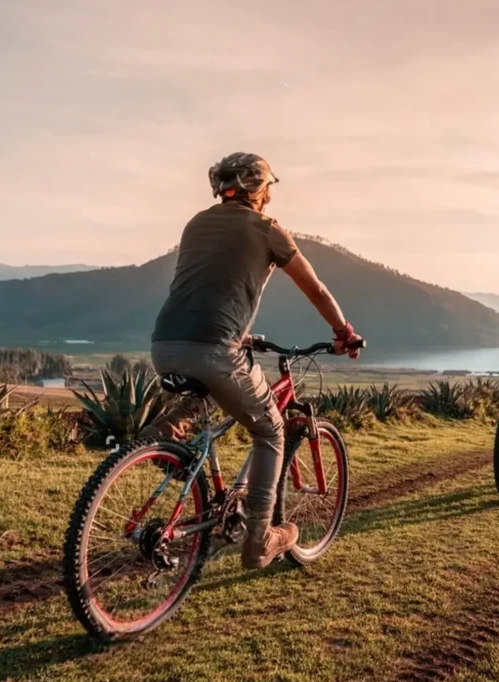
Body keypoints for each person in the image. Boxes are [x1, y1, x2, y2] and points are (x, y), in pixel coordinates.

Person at [141, 152, 362, 569]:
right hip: (214, 348)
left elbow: (207, 283)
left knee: (208, 390)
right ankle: (260, 539)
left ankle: (166, 428)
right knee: (271, 430)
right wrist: (343, 332)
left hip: (166, 343)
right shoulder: (267, 230)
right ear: (260, 190)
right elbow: (315, 289)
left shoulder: (195, 224)